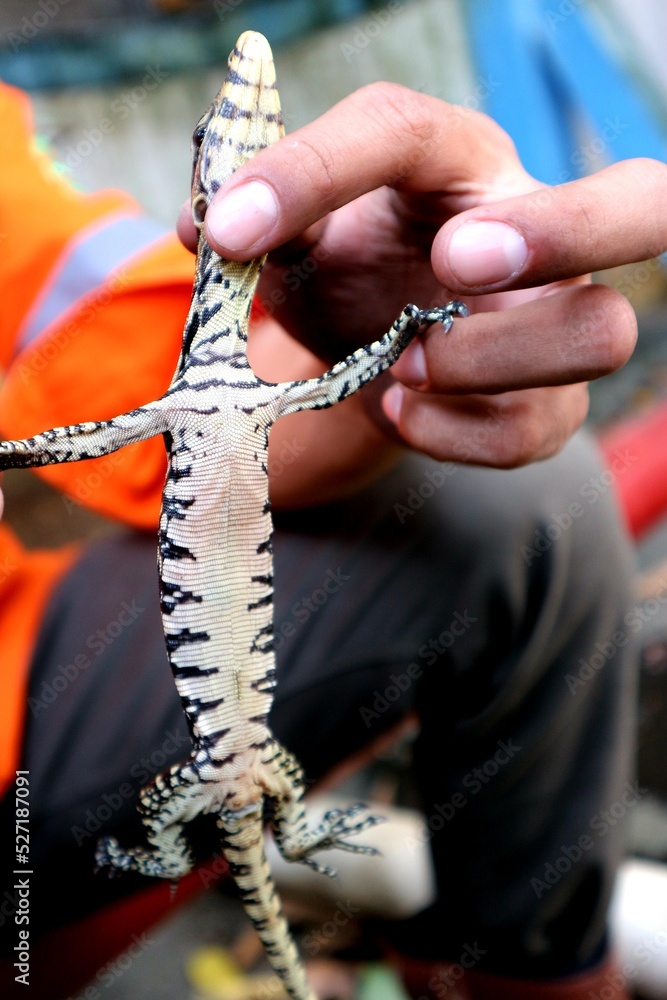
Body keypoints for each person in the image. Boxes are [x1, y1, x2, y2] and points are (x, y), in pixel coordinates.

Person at [0, 75, 666, 1000]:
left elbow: (153, 408)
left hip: (30, 666)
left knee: (520, 502)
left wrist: (400, 344)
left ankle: (501, 969)